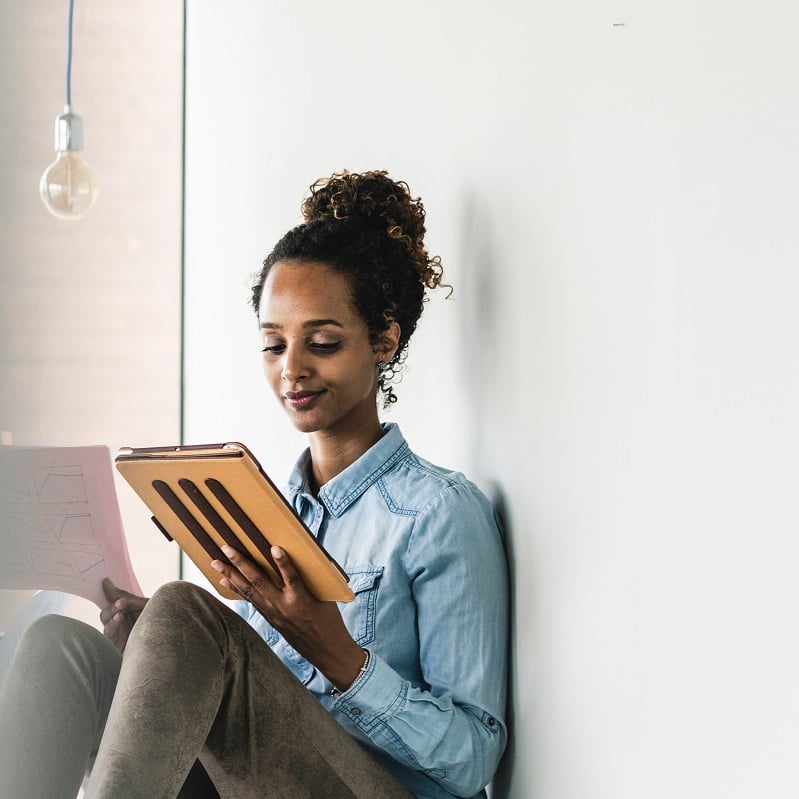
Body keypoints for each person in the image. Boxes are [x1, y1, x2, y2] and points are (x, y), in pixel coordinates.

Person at [0, 170, 509, 799]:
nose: (293, 369)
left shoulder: (438, 513)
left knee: (185, 610)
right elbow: (243, 709)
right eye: (273, 346)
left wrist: (338, 655)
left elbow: (471, 761)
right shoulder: (263, 513)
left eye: (321, 342)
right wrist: (154, 650)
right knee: (64, 650)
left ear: (383, 340)